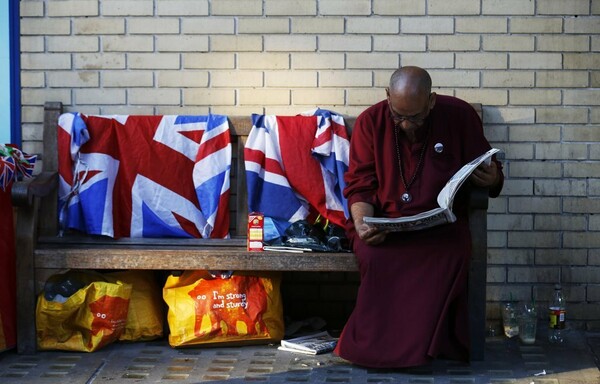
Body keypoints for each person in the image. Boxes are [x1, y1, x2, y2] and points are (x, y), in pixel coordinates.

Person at [334, 66, 504, 368]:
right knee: (375, 256)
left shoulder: (459, 116)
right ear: (388, 98)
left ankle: (430, 348)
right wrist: (363, 224)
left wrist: (491, 177)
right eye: (398, 115)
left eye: (415, 117)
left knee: (450, 253)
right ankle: (377, 350)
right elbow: (360, 184)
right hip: (385, 224)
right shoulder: (371, 122)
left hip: (440, 228)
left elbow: (487, 169)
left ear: (432, 101)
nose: (406, 125)